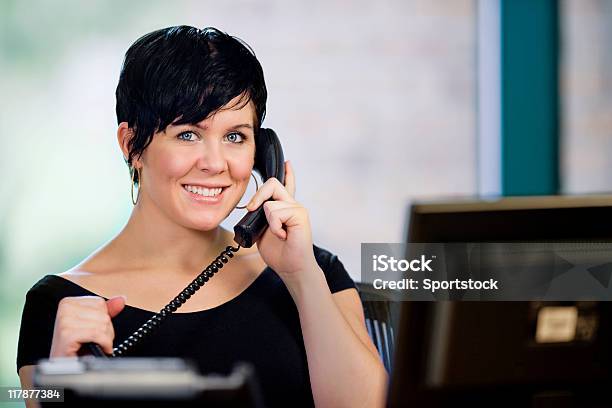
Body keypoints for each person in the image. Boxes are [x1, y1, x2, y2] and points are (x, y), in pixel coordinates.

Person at [16, 26, 387, 407]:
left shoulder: (312, 271)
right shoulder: (61, 305)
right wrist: (64, 377)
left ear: (262, 153)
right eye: (188, 134)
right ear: (132, 146)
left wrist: (301, 277)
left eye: (235, 137)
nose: (214, 164)